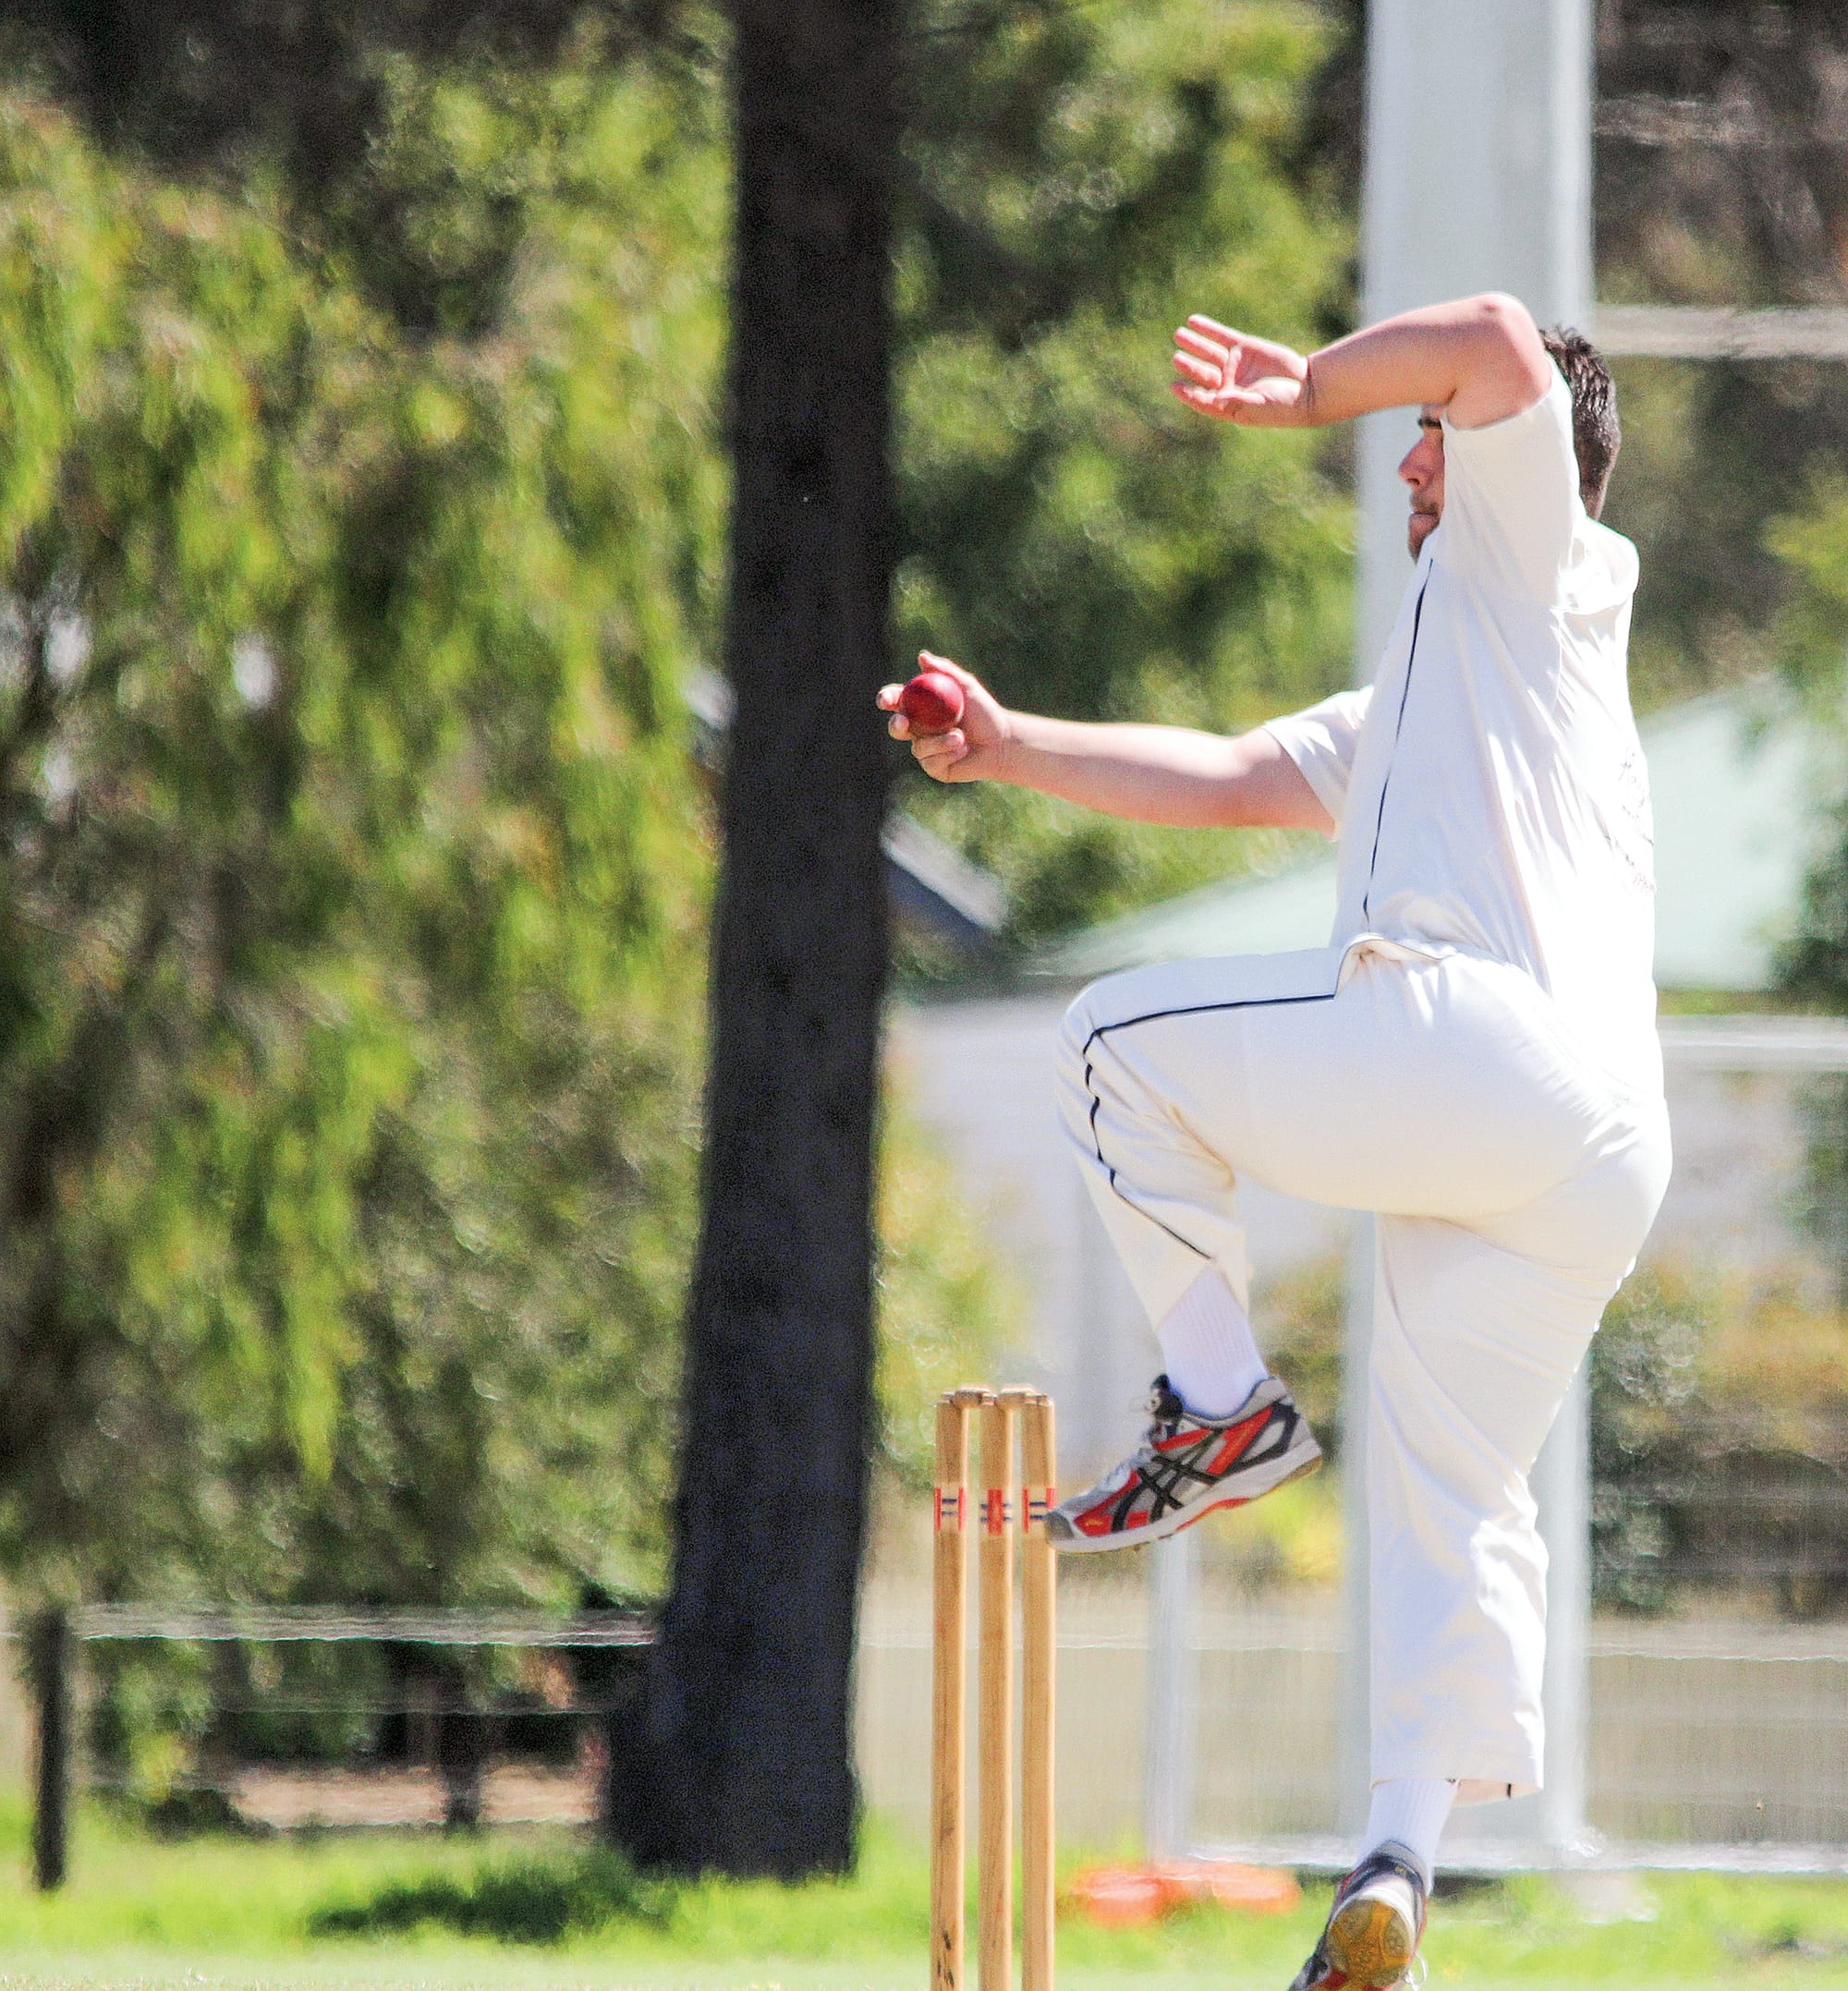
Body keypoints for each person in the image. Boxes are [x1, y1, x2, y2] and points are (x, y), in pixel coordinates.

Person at [879, 293, 1672, 1991]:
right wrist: (1012, 749)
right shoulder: (1472, 676)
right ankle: (1394, 1871)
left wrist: (1306, 386)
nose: (1403, 470)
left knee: (1108, 1045)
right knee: (1456, 1495)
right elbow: (1238, 774)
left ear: (1500, 466)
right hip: (1595, 1147)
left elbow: (1504, 342)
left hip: (1489, 1053)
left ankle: (1220, 1408)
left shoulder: (1534, 550)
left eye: (1423, 452)